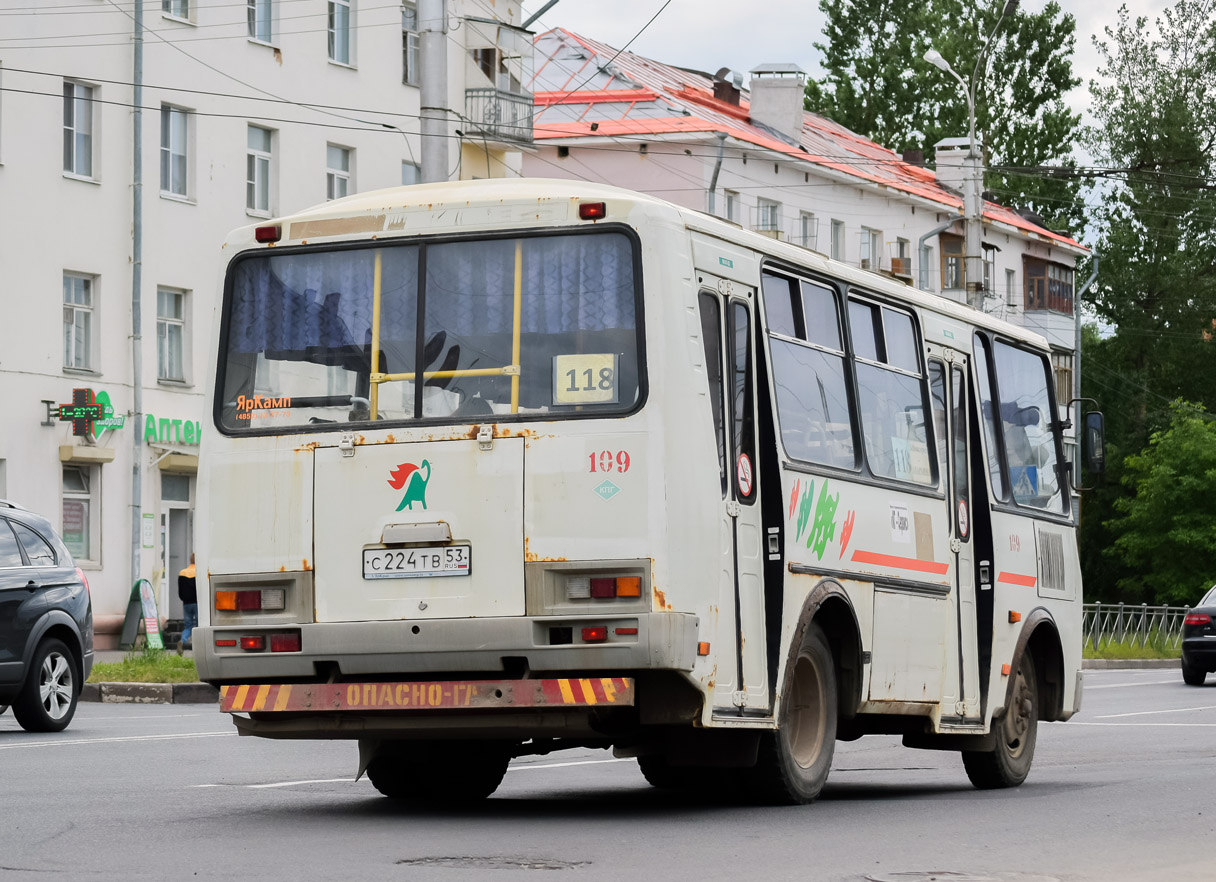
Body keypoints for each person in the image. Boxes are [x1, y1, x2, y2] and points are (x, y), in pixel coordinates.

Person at [178, 554, 197, 654]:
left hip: (186, 603)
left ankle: (182, 640)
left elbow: (180, 590)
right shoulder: (199, 572)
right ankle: (198, 646)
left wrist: (183, 599)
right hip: (197, 603)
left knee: (188, 626)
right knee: (198, 625)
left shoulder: (182, 572)